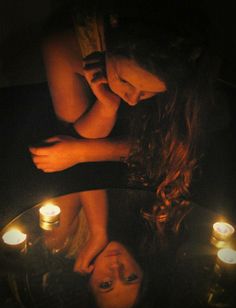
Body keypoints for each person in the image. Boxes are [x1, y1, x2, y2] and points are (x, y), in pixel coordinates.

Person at [29, 2, 216, 236]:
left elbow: (173, 149)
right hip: (103, 170)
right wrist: (106, 106)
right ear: (108, 49)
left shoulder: (188, 75)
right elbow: (77, 137)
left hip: (154, 175)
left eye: (149, 92)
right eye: (125, 81)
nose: (133, 99)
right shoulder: (66, 46)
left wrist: (80, 152)